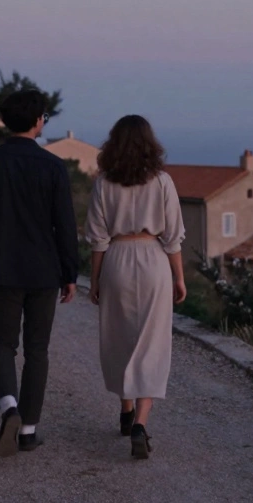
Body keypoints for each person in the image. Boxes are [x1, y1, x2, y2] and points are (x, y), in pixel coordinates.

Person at [0, 90, 79, 457]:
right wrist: (70, 273)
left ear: (4, 121)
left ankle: (9, 406)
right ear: (39, 121)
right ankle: (27, 430)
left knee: (1, 344)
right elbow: (65, 225)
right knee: (38, 349)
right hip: (44, 272)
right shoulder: (53, 167)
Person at [84, 115, 187, 459]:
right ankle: (141, 423)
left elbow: (97, 238)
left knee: (119, 336)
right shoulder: (162, 182)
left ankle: (126, 410)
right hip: (153, 259)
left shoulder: (103, 183)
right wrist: (179, 277)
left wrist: (95, 280)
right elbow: (173, 236)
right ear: (149, 143)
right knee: (152, 341)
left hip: (116, 258)